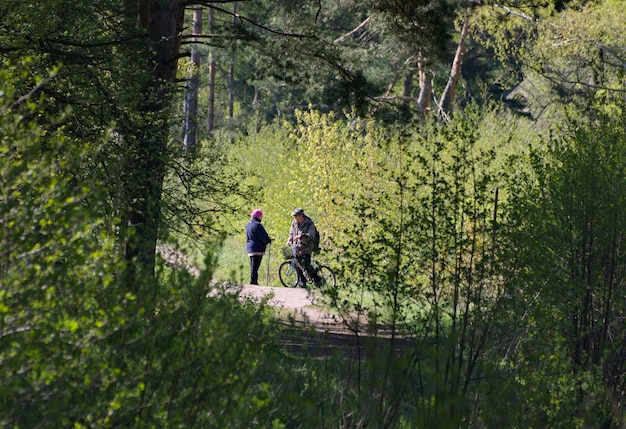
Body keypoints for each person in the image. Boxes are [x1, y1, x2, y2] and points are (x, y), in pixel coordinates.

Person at [287, 208, 322, 287]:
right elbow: (291, 233)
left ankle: (317, 279)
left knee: (305, 264)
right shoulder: (294, 223)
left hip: (307, 247)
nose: (295, 218)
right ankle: (302, 283)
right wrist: (289, 240)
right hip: (297, 247)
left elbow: (311, 236)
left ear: (301, 216)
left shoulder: (309, 224)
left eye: (296, 216)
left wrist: (301, 236)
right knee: (297, 264)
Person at [246, 209, 274, 285]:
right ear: (259, 216)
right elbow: (262, 236)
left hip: (250, 247)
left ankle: (254, 281)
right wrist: (269, 240)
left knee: (253, 265)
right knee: (255, 266)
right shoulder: (258, 225)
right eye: (261, 216)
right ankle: (253, 282)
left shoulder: (248, 224)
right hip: (257, 248)